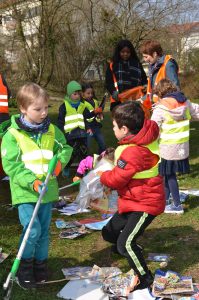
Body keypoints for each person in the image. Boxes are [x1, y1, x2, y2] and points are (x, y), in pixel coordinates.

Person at [1, 83, 73, 288]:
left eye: (45, 108)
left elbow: (65, 148)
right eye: (37, 109)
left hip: (47, 192)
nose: (43, 113)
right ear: (23, 109)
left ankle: (40, 267)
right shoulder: (13, 135)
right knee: (32, 230)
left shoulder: (51, 130)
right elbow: (12, 166)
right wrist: (32, 183)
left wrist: (59, 164)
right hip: (25, 192)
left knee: (43, 232)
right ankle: (25, 267)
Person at [99, 101, 165, 291]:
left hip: (146, 204)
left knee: (125, 243)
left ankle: (145, 278)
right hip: (132, 199)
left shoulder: (133, 152)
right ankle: (128, 251)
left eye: (113, 126)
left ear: (125, 129)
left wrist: (101, 175)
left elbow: (116, 179)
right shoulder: (137, 139)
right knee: (109, 232)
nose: (112, 129)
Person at [151, 78, 199, 214]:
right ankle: (166, 200)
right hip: (181, 147)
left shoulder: (161, 107)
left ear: (160, 93)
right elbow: (196, 112)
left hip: (167, 148)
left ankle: (177, 205)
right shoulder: (185, 102)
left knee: (169, 175)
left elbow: (152, 127)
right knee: (166, 174)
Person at [57, 80, 102, 176]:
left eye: (79, 94)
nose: (77, 96)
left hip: (82, 134)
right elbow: (60, 121)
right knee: (71, 153)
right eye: (75, 94)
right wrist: (61, 134)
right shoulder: (64, 107)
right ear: (69, 95)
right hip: (70, 135)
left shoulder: (82, 105)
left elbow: (87, 116)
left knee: (84, 153)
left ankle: (84, 170)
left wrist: (95, 112)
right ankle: (67, 167)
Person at [105, 39, 147, 111]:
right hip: (118, 100)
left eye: (128, 52)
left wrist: (145, 86)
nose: (125, 54)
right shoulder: (113, 64)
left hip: (135, 99)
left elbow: (143, 78)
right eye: (122, 52)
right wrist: (113, 91)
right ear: (118, 52)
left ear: (131, 52)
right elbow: (108, 81)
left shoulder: (137, 64)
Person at [82, 83, 106, 154]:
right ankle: (85, 162)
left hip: (96, 127)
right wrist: (95, 112)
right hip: (88, 128)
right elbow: (85, 115)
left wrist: (101, 115)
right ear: (83, 93)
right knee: (87, 147)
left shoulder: (95, 101)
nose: (90, 95)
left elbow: (98, 112)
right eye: (88, 93)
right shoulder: (82, 104)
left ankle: (100, 159)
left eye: (91, 93)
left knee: (103, 145)